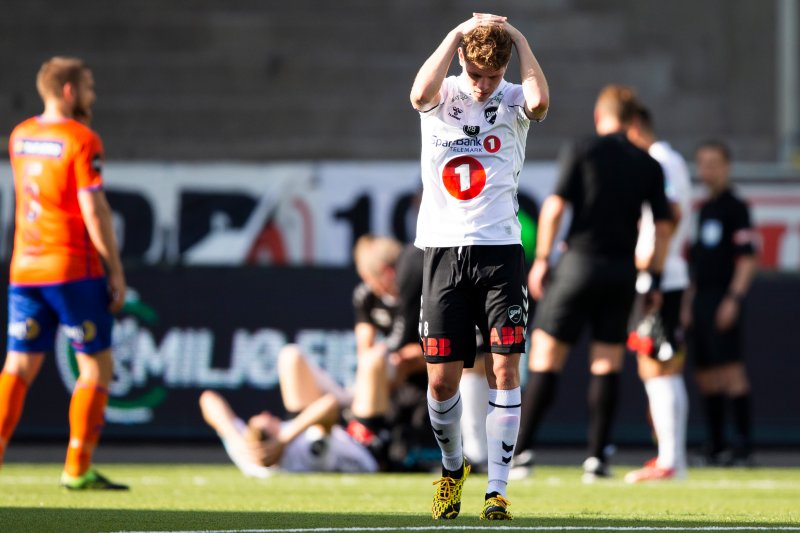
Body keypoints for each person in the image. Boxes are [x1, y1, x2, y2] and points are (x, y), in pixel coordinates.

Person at [410, 12, 549, 520]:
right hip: (443, 251)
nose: (484, 85)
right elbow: (416, 95)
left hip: (500, 252)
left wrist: (518, 37)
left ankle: (496, 490)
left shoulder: (513, 98)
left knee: (504, 368)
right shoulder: (444, 93)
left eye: (493, 76)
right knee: (441, 382)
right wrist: (453, 35)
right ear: (463, 61)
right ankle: (452, 470)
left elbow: (540, 102)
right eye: (476, 74)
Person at [515, 85, 672, 483]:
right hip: (622, 272)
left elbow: (553, 209)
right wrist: (653, 276)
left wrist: (542, 260)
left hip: (578, 265)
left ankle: (520, 455)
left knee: (546, 359)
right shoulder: (648, 164)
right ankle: (596, 458)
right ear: (633, 120)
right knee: (606, 363)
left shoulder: (582, 148)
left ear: (600, 116)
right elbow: (665, 224)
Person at [0, 57, 127, 489]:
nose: (93, 94)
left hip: (24, 269)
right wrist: (115, 268)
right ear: (69, 91)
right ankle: (77, 467)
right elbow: (93, 207)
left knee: (17, 365)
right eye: (88, 86)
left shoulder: (20, 136)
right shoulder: (81, 139)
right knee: (96, 367)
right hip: (72, 270)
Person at [623, 106, 692, 483]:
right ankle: (672, 459)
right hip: (663, 273)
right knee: (658, 365)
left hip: (660, 277)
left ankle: (670, 462)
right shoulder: (668, 160)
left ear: (634, 128)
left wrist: (653, 272)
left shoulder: (660, 160)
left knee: (658, 365)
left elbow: (673, 214)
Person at [199, 345, 385, 475]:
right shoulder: (307, 453)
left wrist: (235, 439)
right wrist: (284, 440)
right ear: (274, 440)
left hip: (328, 424)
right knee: (374, 361)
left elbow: (208, 399)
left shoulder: (247, 452)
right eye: (268, 420)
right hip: (361, 440)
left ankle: (350, 395)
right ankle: (353, 396)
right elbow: (330, 406)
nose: (267, 413)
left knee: (290, 356)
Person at [685, 140, 758, 466]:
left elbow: (748, 259)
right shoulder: (704, 211)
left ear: (726, 166)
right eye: (702, 163)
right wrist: (689, 302)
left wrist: (733, 299)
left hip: (724, 297)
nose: (707, 170)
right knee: (705, 373)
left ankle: (743, 446)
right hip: (701, 299)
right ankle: (715, 445)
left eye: (713, 163)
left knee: (731, 372)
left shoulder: (735, 207)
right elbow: (697, 265)